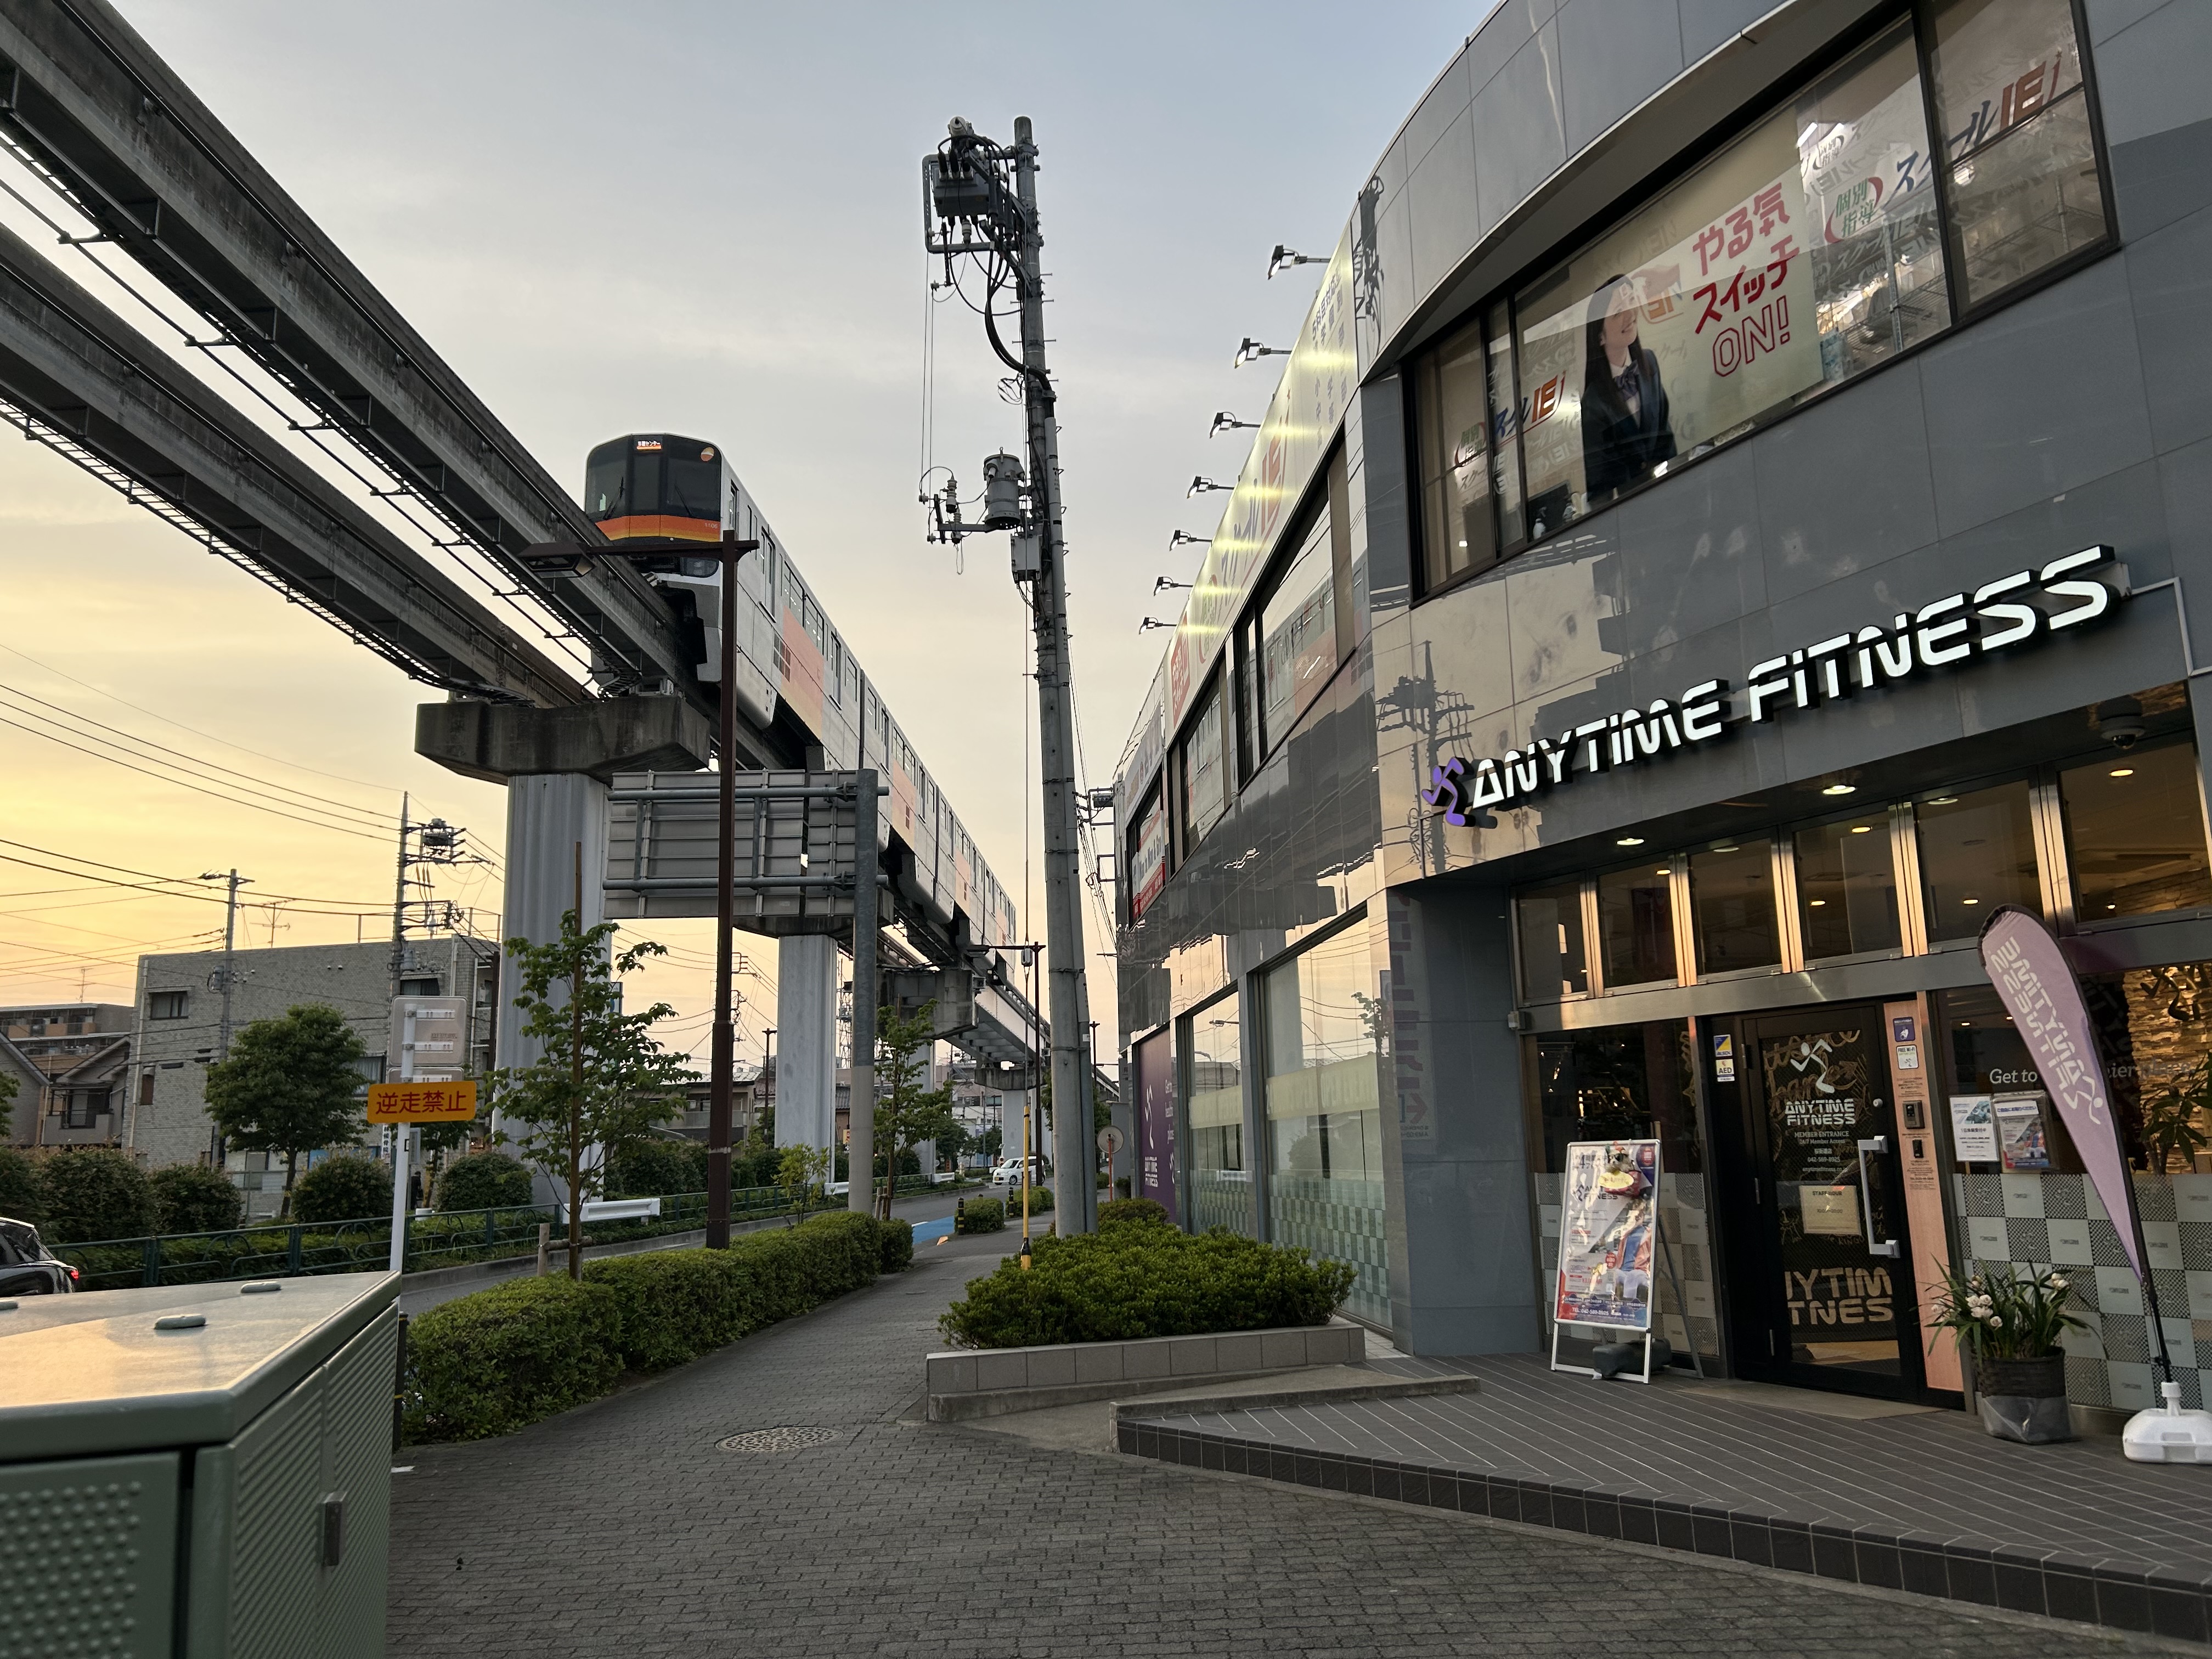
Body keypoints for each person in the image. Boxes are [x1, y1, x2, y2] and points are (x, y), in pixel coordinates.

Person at [1581, 274, 1677, 504]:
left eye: (1631, 303)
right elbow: (1599, 483)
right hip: (1632, 507)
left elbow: (1665, 434)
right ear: (1600, 337)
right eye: (1617, 312)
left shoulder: (1649, 362)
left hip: (1669, 490)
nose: (1630, 315)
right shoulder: (1592, 404)